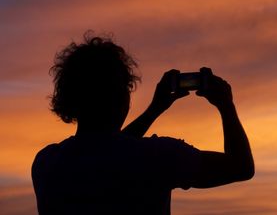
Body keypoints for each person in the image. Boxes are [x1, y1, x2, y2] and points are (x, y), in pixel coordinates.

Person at [31, 36, 254, 215]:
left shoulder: (47, 164)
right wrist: (226, 105)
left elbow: (106, 152)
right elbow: (241, 167)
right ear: (121, 97)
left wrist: (155, 109)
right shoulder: (158, 157)